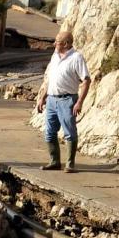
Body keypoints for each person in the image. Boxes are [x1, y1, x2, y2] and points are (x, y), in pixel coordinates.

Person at [35, 30, 92, 173]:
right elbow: (50, 79)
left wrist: (79, 102)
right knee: (49, 132)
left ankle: (70, 164)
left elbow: (86, 80)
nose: (54, 44)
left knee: (69, 132)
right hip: (52, 100)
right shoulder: (55, 56)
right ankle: (54, 162)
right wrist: (43, 97)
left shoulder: (76, 58)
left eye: (57, 42)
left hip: (67, 100)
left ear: (66, 44)